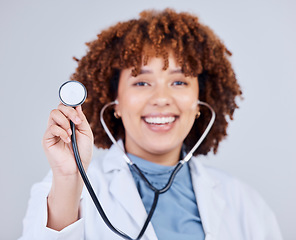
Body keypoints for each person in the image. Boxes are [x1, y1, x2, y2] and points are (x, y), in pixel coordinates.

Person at [19, 8, 282, 240]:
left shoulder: (243, 202)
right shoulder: (66, 188)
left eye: (179, 82)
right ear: (116, 102)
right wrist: (69, 179)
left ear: (200, 100)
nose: (161, 99)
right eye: (141, 82)